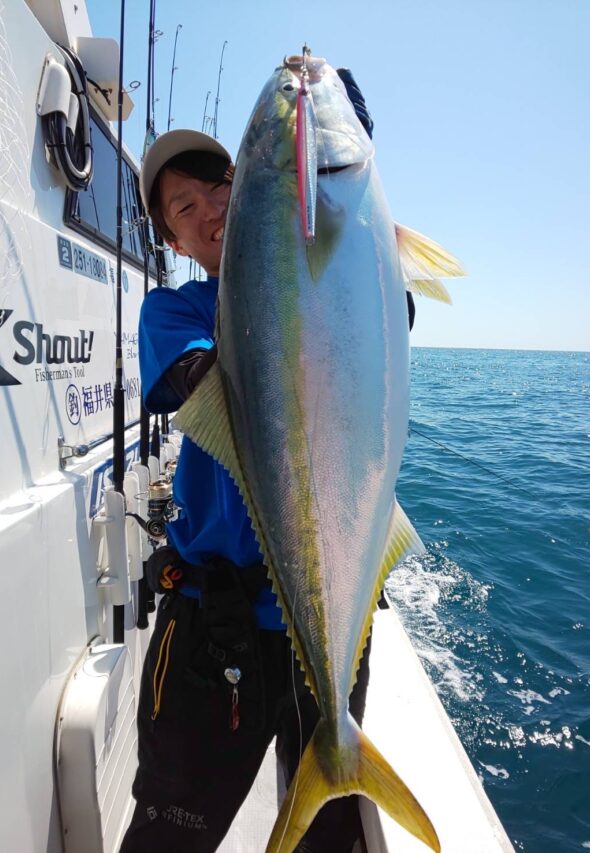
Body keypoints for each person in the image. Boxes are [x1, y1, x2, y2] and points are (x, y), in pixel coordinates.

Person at [120, 70, 411, 853]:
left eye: (218, 187)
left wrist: (343, 192)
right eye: (184, 208)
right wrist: (282, 286)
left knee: (326, 840)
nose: (209, 210)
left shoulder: (325, 263)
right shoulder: (174, 311)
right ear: (173, 241)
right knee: (169, 833)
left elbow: (387, 309)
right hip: (216, 629)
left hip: (327, 626)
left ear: (246, 188)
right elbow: (206, 380)